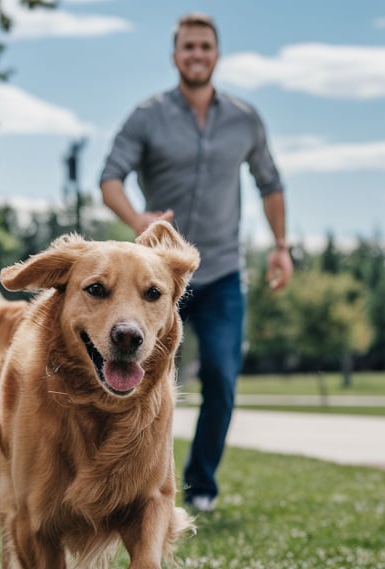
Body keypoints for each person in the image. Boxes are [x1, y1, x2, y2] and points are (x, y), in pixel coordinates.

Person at [100, 12, 292, 512]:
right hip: (155, 282)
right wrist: (136, 216)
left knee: (223, 380)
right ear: (175, 56)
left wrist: (280, 245)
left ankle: (200, 484)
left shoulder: (244, 119)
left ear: (217, 53)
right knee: (137, 379)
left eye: (205, 46)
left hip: (224, 272)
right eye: (188, 47)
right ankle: (133, 482)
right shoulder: (147, 116)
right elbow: (109, 178)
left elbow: (270, 184)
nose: (197, 54)